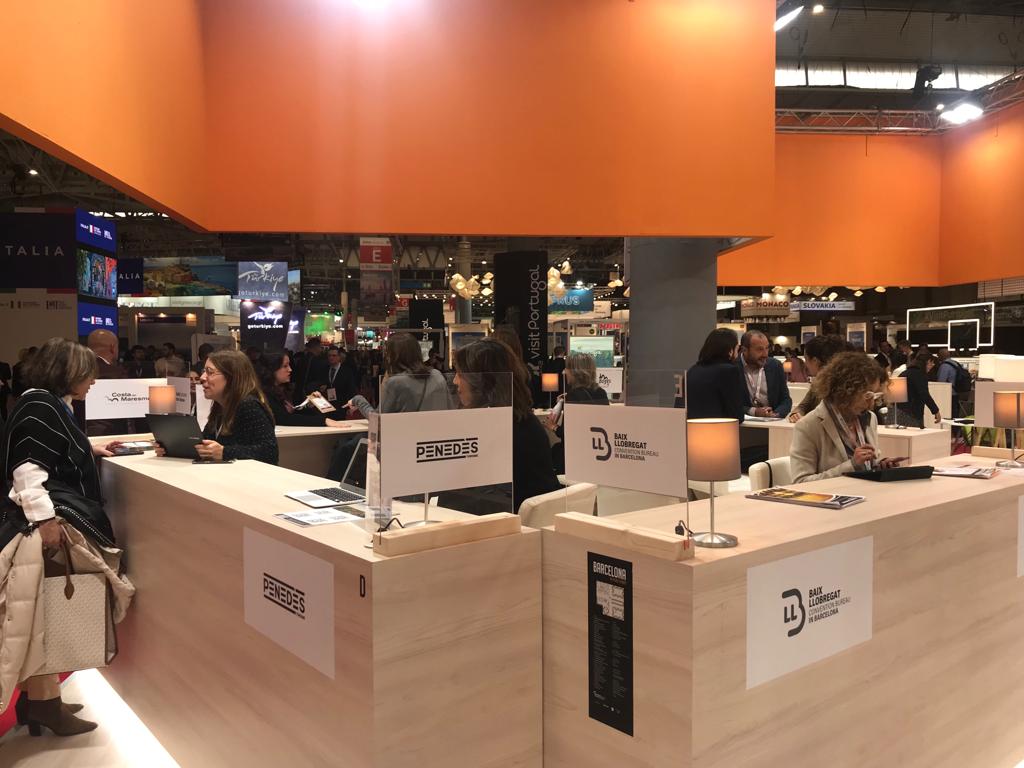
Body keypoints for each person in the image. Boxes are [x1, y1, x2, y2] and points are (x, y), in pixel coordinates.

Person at [0, 337, 134, 736]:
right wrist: (46, 522)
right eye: (87, 374)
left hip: (37, 526)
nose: (93, 381)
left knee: (40, 616)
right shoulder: (42, 406)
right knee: (42, 617)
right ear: (68, 372)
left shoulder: (47, 404)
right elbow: (27, 470)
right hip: (41, 529)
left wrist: (89, 449)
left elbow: (48, 453)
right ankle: (44, 705)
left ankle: (37, 702)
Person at [452, 338, 560, 512]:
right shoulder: (522, 421)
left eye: (460, 374)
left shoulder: (500, 432)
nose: (455, 381)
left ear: (481, 382)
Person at [790, 351, 903, 483]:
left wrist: (879, 466)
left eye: (875, 396)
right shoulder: (808, 426)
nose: (871, 404)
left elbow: (866, 467)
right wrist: (852, 465)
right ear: (845, 391)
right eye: (867, 396)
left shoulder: (869, 418)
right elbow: (800, 482)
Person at [159, 350, 278, 464]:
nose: (202, 377)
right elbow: (205, 442)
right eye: (204, 371)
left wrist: (224, 452)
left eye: (210, 372)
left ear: (232, 377)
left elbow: (269, 452)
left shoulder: (248, 405)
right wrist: (170, 447)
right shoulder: (220, 406)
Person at [342, 333, 451, 418]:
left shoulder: (395, 382)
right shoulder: (437, 375)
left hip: (405, 437)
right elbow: (449, 408)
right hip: (436, 436)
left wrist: (358, 400)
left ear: (392, 356)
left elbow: (378, 418)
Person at [685, 328, 747, 421]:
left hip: (691, 428)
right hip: (718, 427)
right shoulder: (729, 371)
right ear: (730, 351)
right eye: (737, 349)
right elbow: (736, 415)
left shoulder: (692, 370)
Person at [788, 335, 853, 422]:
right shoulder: (817, 383)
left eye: (806, 359)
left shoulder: (844, 385)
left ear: (815, 361)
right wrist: (796, 414)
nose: (805, 364)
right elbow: (803, 406)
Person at [257, 350, 326, 427]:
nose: (290, 369)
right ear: (272, 369)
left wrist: (309, 405)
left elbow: (293, 414)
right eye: (285, 366)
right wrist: (324, 421)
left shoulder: (282, 390)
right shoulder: (263, 393)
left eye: (289, 365)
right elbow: (284, 418)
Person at [736, 330, 791, 418]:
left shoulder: (775, 366)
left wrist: (775, 414)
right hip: (743, 423)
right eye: (760, 349)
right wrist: (754, 411)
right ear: (744, 350)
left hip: (772, 422)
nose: (765, 354)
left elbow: (786, 400)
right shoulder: (732, 368)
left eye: (767, 348)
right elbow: (729, 404)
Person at [898, 353, 941, 427]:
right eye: (931, 362)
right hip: (913, 413)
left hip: (900, 412)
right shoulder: (920, 374)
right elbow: (924, 394)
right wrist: (935, 411)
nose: (933, 365)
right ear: (927, 362)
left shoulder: (905, 373)